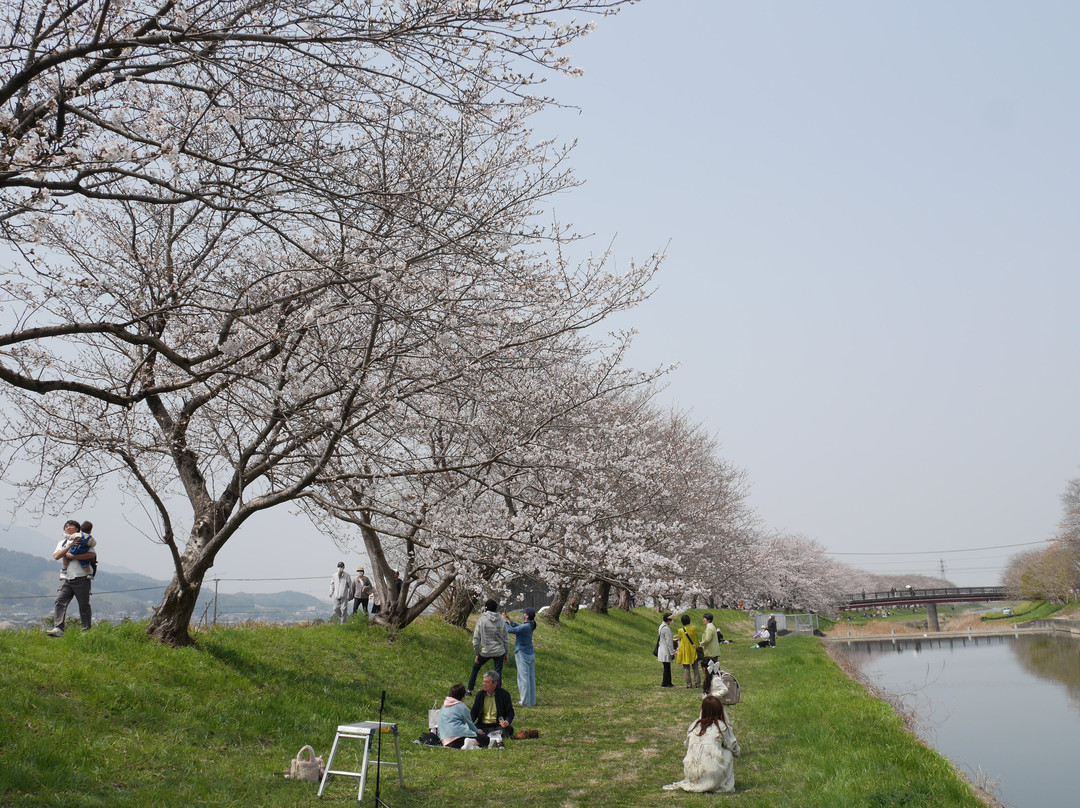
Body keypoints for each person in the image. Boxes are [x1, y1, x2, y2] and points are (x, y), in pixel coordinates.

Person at [662, 695, 740, 793]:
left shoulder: (694, 725)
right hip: (712, 773)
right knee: (728, 752)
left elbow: (686, 744)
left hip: (691, 772)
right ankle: (723, 784)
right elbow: (734, 747)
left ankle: (699, 779)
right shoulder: (721, 726)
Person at [48, 519, 97, 636]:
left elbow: (92, 554)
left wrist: (74, 556)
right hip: (65, 577)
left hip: (82, 576)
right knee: (60, 601)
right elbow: (56, 556)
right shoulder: (62, 543)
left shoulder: (84, 540)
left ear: (78, 530)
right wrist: (69, 546)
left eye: (71, 526)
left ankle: (86, 630)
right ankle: (58, 628)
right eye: (66, 526)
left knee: (84, 604)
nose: (68, 528)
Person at [467, 599, 509, 695]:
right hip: (499, 651)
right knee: (498, 674)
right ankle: (497, 693)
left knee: (475, 668)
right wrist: (506, 654)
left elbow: (476, 638)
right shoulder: (502, 621)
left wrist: (477, 653)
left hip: (486, 651)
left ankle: (469, 690)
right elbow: (506, 639)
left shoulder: (481, 620)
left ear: (485, 608)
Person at [437, 684, 489, 749]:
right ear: (462, 696)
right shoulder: (462, 707)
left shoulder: (443, 707)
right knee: (485, 739)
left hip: (445, 741)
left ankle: (471, 745)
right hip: (458, 738)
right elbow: (470, 724)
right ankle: (471, 743)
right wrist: (478, 731)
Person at [470, 671, 514, 745]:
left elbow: (510, 712)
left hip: (497, 725)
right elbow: (474, 712)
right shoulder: (480, 695)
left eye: (487, 682)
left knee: (508, 729)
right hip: (482, 725)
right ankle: (492, 736)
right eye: (483, 682)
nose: (484, 684)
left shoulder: (504, 695)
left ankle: (488, 736)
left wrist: (507, 721)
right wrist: (469, 723)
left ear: (495, 684)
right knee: (471, 729)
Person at [504, 607, 537, 707]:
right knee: (530, 678)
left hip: (522, 654)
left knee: (523, 678)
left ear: (527, 616)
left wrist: (504, 622)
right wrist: (509, 619)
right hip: (530, 654)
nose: (522, 615)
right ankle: (531, 700)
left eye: (524, 614)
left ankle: (525, 701)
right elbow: (518, 627)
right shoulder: (530, 625)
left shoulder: (525, 627)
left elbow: (510, 630)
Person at [675, 614, 702, 689]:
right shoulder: (694, 628)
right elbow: (695, 637)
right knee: (695, 667)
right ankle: (697, 683)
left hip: (685, 650)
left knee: (686, 668)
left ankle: (689, 684)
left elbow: (680, 639)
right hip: (693, 649)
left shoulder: (680, 630)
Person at [657, 612, 675, 688]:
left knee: (667, 667)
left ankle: (668, 682)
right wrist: (672, 652)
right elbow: (669, 642)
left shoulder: (661, 626)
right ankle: (665, 683)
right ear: (668, 620)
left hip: (662, 649)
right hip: (665, 650)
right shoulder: (666, 629)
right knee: (666, 667)